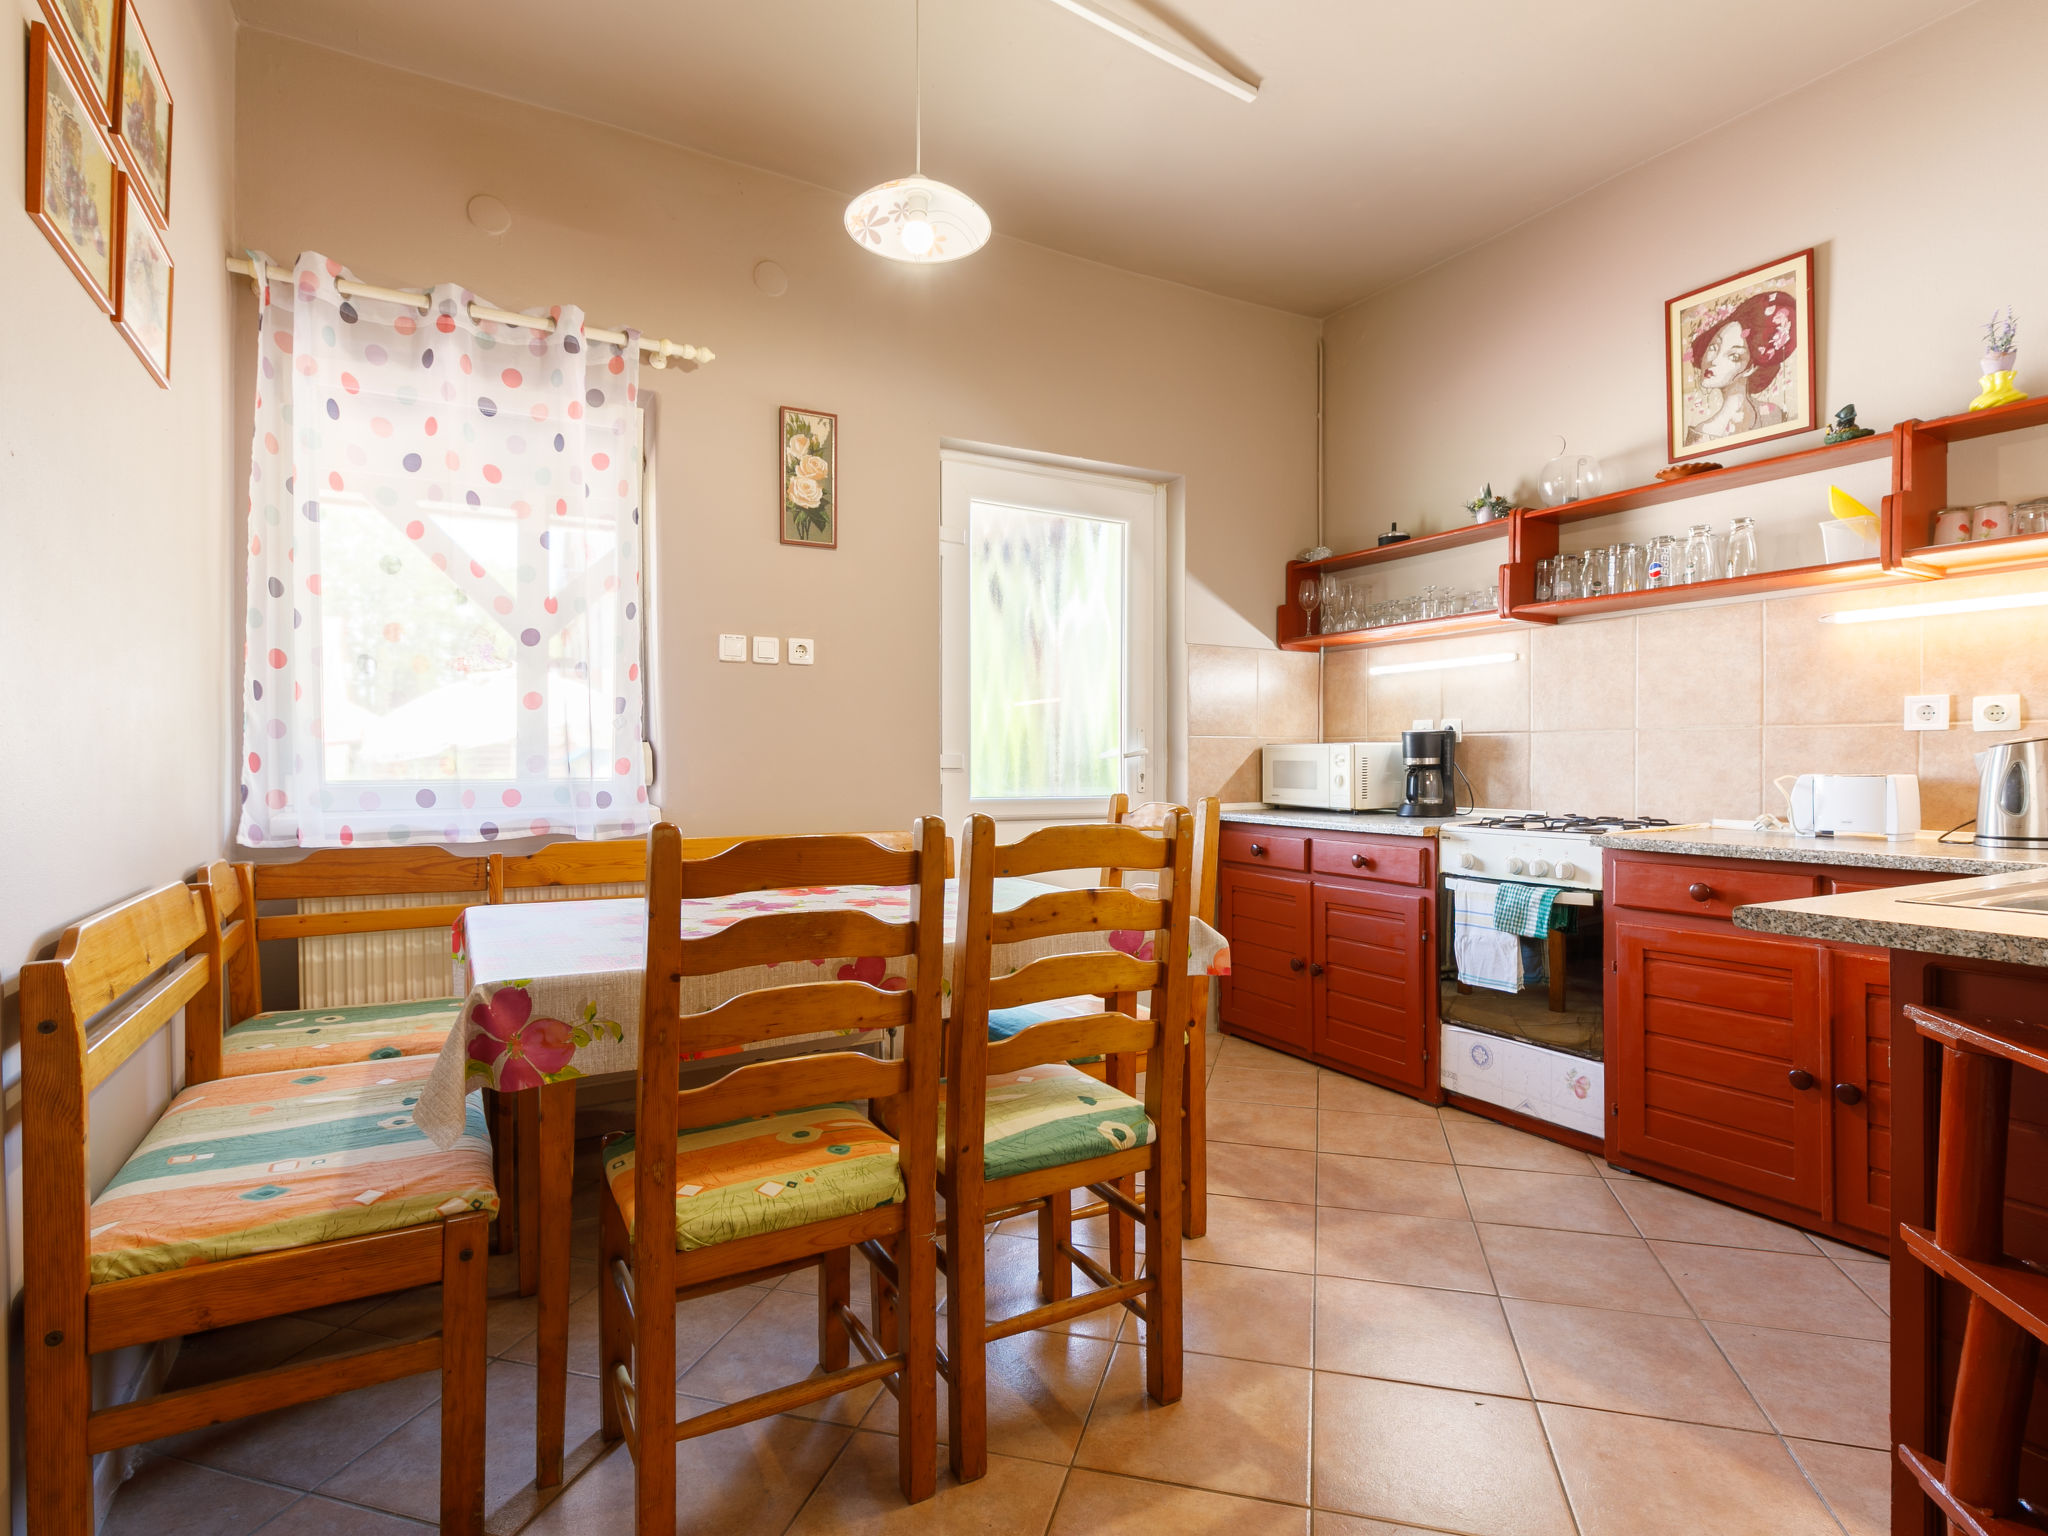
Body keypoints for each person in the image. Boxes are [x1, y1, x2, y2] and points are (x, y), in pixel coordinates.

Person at [1684, 289, 1797, 445]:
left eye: (1734, 356)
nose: (1714, 360)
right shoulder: (1703, 433)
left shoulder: (1773, 415)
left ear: (1751, 368)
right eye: (1713, 347)